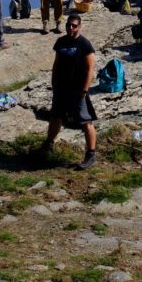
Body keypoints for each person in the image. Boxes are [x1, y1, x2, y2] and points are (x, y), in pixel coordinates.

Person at [37, 15, 98, 170]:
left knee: (85, 121)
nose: (71, 28)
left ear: (80, 27)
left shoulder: (84, 44)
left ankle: (91, 154)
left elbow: (90, 68)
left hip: (78, 89)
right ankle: (48, 145)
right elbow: (56, 63)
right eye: (68, 25)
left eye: (74, 26)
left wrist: (85, 89)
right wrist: (53, 82)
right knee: (56, 116)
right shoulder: (61, 42)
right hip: (61, 87)